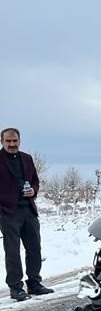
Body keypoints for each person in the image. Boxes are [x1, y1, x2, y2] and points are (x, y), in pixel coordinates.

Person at [0, 127, 54, 301]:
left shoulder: (27, 158)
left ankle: (34, 283)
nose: (12, 144)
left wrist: (33, 191)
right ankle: (16, 287)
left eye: (15, 140)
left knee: (34, 248)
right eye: (8, 141)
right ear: (2, 141)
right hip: (8, 212)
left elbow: (35, 181)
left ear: (19, 141)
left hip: (29, 210)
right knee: (12, 251)